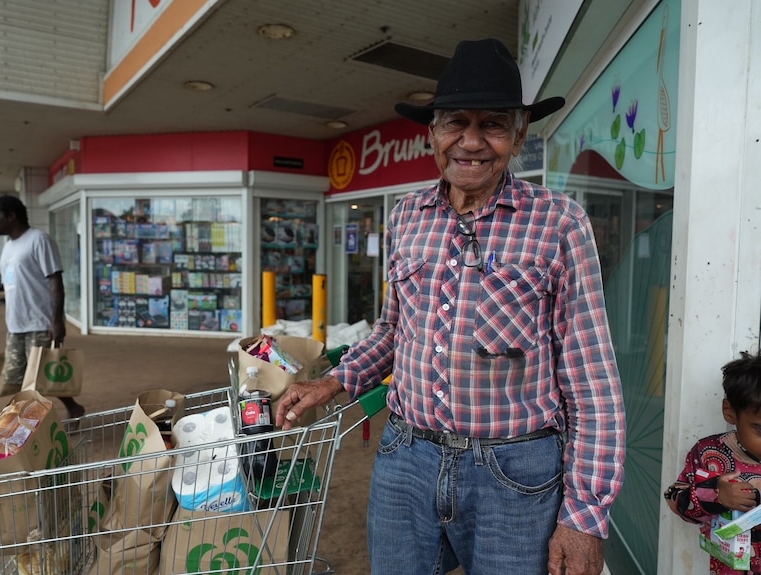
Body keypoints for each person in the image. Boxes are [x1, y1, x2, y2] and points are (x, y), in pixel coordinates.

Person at [275, 39, 626, 575]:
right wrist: (332, 383)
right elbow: (396, 330)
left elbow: (592, 380)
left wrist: (585, 516)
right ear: (432, 134)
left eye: (493, 125)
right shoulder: (408, 215)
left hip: (515, 472)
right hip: (406, 459)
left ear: (518, 136)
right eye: (455, 123)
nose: (471, 141)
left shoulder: (559, 222)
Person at [0, 194, 85, 419]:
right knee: (15, 377)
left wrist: (57, 319)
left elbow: (55, 281)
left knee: (38, 378)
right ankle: (72, 407)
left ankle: (33, 424)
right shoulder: (9, 246)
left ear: (11, 216)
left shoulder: (38, 239)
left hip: (40, 321)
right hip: (15, 323)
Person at [664, 350, 761, 575]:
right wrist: (716, 494)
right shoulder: (709, 454)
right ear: (729, 411)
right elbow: (673, 497)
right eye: (759, 428)